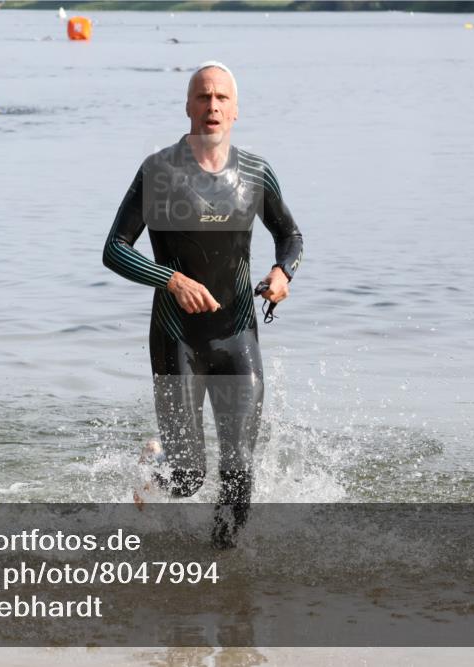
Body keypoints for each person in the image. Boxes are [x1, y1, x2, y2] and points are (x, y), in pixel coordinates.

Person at [103, 62, 303, 548]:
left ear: (236, 110)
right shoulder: (159, 171)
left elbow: (290, 235)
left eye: (221, 99)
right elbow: (115, 249)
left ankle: (220, 573)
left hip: (237, 335)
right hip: (177, 340)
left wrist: (283, 273)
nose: (212, 106)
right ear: (188, 106)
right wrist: (169, 278)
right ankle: (154, 470)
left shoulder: (256, 172)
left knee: (238, 470)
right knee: (189, 477)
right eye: (202, 97)